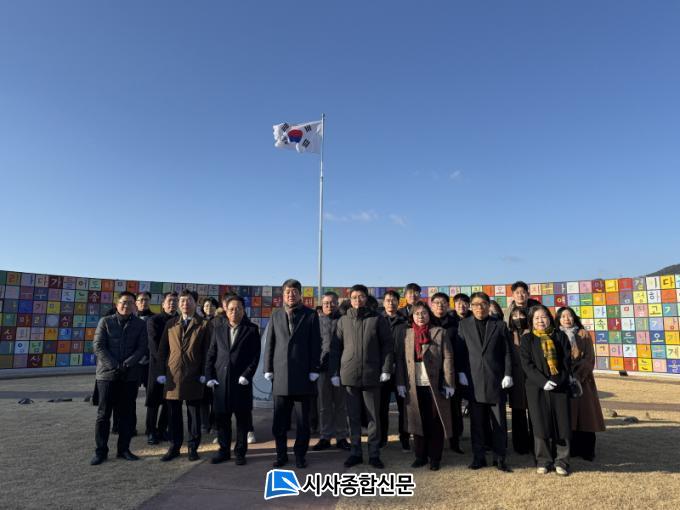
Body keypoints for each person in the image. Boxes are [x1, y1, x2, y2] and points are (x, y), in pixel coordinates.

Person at [330, 284, 393, 469]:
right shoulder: (343, 321)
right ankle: (355, 452)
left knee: (373, 417)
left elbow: (387, 346)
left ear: (367, 298)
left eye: (361, 296)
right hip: (349, 375)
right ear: (350, 300)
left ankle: (374, 454)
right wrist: (335, 372)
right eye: (354, 297)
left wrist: (386, 369)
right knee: (353, 417)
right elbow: (335, 348)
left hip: (372, 375)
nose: (358, 300)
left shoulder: (377, 319)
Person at [264, 279, 322, 469]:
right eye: (288, 292)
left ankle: (300, 455)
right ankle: (281, 455)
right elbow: (270, 343)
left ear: (300, 294)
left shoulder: (310, 315)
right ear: (283, 294)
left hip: (303, 376)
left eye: (294, 291)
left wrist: (314, 369)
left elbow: (316, 344)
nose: (291, 295)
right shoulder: (276, 314)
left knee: (303, 422)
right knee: (279, 421)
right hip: (280, 376)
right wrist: (267, 368)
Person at [456, 292, 513, 472]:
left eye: (483, 304)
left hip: (496, 380)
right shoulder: (463, 325)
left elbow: (507, 352)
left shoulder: (500, 325)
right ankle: (478, 457)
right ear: (471, 307)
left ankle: (500, 458)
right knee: (477, 423)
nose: (479, 308)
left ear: (489, 305)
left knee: (499, 423)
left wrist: (508, 374)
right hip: (474, 381)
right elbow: (460, 351)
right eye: (475, 304)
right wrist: (461, 372)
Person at [396, 302, 455, 471]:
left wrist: (449, 383)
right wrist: (400, 382)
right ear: (412, 317)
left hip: (434, 384)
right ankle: (420, 456)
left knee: (435, 422)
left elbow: (448, 358)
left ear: (429, 315)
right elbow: (400, 360)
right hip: (413, 384)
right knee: (417, 420)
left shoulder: (439, 332)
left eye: (423, 313)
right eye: (417, 314)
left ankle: (435, 457)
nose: (420, 316)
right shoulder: (407, 334)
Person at [90, 291, 148, 465]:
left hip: (130, 376)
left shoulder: (140, 324)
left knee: (127, 414)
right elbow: (98, 346)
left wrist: (127, 364)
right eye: (123, 302)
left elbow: (142, 347)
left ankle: (124, 449)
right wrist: (115, 365)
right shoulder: (105, 322)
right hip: (107, 376)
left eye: (130, 302)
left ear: (134, 306)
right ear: (117, 304)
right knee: (103, 415)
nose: (126, 305)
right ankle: (101, 451)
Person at [205, 295, 261, 465]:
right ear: (226, 311)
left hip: (241, 382)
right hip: (221, 382)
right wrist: (209, 376)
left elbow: (255, 356)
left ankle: (240, 452)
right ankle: (224, 451)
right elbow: (211, 354)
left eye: (238, 309)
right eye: (231, 309)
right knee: (222, 419)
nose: (234, 312)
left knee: (242, 419)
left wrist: (247, 375)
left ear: (243, 310)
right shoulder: (218, 329)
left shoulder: (251, 329)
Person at [156, 289, 211, 462]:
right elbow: (162, 350)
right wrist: (161, 372)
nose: (185, 304)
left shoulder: (204, 324)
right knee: (173, 414)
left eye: (189, 301)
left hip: (194, 375)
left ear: (196, 303)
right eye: (182, 301)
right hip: (173, 375)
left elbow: (208, 352)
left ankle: (193, 447)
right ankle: (174, 446)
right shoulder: (171, 323)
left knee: (194, 414)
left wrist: (205, 373)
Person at [520, 305, 572, 476]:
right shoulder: (527, 339)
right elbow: (527, 364)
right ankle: (543, 460)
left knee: (562, 424)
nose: (540, 321)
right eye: (536, 318)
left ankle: (562, 461)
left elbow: (566, 361)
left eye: (543, 317)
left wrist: (557, 380)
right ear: (531, 321)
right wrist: (543, 382)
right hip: (536, 387)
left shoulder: (560, 336)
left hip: (559, 386)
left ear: (549, 318)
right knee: (540, 424)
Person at [556, 306, 605, 461]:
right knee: (568, 418)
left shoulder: (583, 334)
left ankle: (587, 451)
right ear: (558, 319)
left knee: (586, 416)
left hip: (583, 382)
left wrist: (577, 375)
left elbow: (589, 358)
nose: (566, 319)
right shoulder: (555, 335)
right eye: (563, 316)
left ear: (574, 318)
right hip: (563, 382)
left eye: (569, 316)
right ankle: (571, 450)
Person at [312, 292, 350, 452]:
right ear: (322, 305)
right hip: (322, 369)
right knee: (324, 406)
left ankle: (342, 437)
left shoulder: (344, 321)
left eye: (332, 302)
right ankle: (325, 437)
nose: (329, 306)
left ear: (337, 303)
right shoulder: (315, 321)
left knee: (341, 405)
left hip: (340, 369)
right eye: (326, 303)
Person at [429, 292, 464, 454]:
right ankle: (436, 441)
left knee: (454, 408)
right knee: (433, 409)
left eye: (443, 302)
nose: (440, 305)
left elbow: (461, 348)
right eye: (436, 302)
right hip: (431, 371)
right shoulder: (427, 322)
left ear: (448, 305)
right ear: (431, 305)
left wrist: (461, 371)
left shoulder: (456, 323)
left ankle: (455, 441)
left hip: (452, 370)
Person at [145, 292, 178, 445]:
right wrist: (163, 363)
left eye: (175, 301)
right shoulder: (154, 320)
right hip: (157, 366)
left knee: (168, 400)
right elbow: (153, 345)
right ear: (163, 304)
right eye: (169, 301)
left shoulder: (179, 320)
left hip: (174, 367)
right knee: (153, 400)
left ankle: (162, 429)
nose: (172, 303)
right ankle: (151, 431)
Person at [379, 290, 410, 451]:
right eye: (388, 300)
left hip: (401, 370)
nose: (390, 303)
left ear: (399, 302)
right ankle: (382, 438)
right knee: (382, 407)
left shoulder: (405, 322)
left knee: (404, 407)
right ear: (383, 303)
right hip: (382, 371)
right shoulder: (377, 320)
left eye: (393, 300)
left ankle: (404, 438)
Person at [507, 306, 533, 455]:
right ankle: (520, 444)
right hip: (516, 377)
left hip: (532, 377)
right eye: (515, 315)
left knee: (534, 412)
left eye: (521, 315)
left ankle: (535, 443)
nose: (518, 318)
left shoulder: (532, 332)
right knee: (518, 412)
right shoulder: (508, 334)